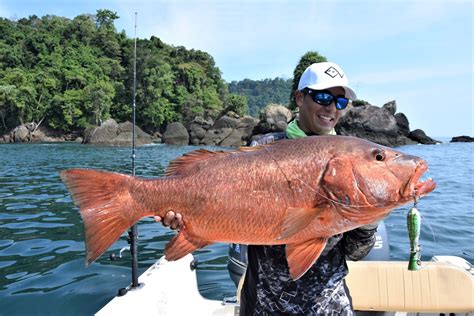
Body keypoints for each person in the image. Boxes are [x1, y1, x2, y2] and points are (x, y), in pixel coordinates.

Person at [158, 62, 378, 315]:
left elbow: (355, 252)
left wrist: (372, 217)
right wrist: (188, 220)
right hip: (263, 305)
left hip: (328, 306)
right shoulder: (264, 146)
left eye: (340, 102)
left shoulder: (355, 160)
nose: (331, 107)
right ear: (299, 97)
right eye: (322, 97)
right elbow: (231, 212)